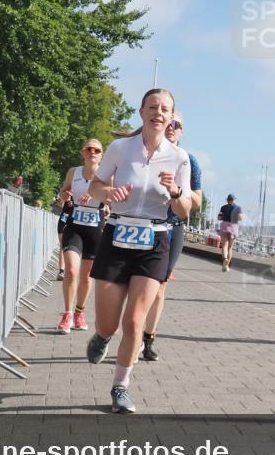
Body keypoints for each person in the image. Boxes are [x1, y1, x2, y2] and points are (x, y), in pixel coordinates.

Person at [85, 88, 191, 414]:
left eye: (165, 109)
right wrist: (110, 193)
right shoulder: (120, 148)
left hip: (155, 241)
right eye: (153, 107)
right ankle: (101, 338)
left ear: (171, 116)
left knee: (134, 322)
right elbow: (94, 186)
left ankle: (120, 387)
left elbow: (185, 210)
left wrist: (175, 192)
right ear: (141, 111)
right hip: (117, 235)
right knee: (109, 324)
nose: (159, 113)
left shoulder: (179, 157)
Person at [141, 111, 203, 361]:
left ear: (181, 131)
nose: (172, 127)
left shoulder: (189, 160)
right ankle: (131, 332)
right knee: (138, 284)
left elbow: (197, 199)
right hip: (143, 224)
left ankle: (148, 339)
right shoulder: (145, 152)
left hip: (171, 226)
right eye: (169, 122)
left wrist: (178, 192)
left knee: (159, 287)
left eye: (177, 124)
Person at [54, 139, 107, 334]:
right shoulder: (73, 172)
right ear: (83, 153)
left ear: (101, 155)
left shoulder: (106, 174)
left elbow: (110, 197)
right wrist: (64, 196)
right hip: (74, 226)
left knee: (86, 276)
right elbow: (62, 192)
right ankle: (67, 313)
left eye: (96, 150)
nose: (92, 152)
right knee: (72, 270)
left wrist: (94, 196)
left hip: (95, 228)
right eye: (88, 149)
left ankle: (79, 312)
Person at [217, 194, 242, 271]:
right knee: (230, 248)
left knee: (224, 246)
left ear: (227, 200)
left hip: (224, 226)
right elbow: (240, 218)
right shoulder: (237, 208)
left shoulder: (223, 207)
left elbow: (219, 218)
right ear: (234, 200)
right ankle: (227, 265)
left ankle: (225, 259)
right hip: (233, 227)